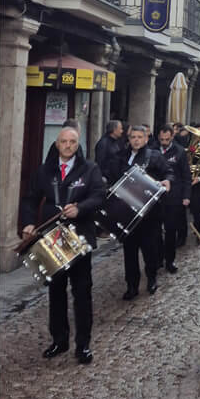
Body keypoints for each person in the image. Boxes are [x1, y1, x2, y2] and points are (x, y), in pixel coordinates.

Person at [20, 127, 105, 364]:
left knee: (82, 292)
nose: (68, 145)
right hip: (52, 237)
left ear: (78, 144)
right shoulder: (44, 170)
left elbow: (99, 196)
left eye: (72, 142)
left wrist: (80, 208)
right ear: (57, 144)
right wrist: (28, 222)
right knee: (56, 290)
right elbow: (30, 199)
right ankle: (59, 340)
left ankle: (83, 345)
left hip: (79, 237)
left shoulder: (90, 169)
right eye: (64, 141)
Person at [119, 125, 171, 299]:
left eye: (139, 137)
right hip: (127, 211)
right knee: (129, 252)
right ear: (129, 139)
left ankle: (151, 278)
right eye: (133, 137)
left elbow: (168, 173)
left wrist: (167, 181)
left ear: (146, 139)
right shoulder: (122, 156)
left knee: (150, 249)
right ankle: (131, 285)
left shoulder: (154, 156)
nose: (136, 140)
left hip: (149, 212)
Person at [156, 124, 192, 268]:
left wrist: (186, 196)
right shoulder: (153, 150)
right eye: (162, 139)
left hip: (174, 196)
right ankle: (158, 258)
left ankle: (170, 260)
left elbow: (186, 176)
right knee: (155, 232)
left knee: (171, 230)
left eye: (167, 139)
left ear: (172, 137)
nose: (164, 142)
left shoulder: (179, 151)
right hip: (156, 197)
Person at [94, 120, 124, 184]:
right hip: (107, 179)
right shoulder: (103, 143)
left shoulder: (116, 142)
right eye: (120, 129)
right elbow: (100, 162)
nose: (122, 131)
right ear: (114, 130)